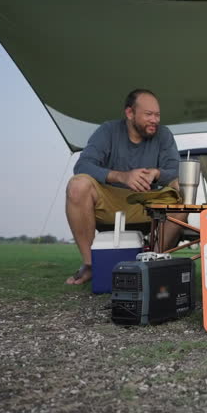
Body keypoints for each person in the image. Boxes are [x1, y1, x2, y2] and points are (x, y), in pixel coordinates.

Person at [64, 88, 184, 285]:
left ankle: (154, 265)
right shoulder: (108, 131)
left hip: (147, 205)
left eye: (157, 115)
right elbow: (82, 165)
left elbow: (175, 170)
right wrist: (121, 176)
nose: (155, 120)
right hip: (109, 204)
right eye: (148, 114)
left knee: (179, 195)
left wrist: (156, 173)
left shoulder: (164, 135)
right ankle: (91, 265)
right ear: (130, 113)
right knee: (78, 185)